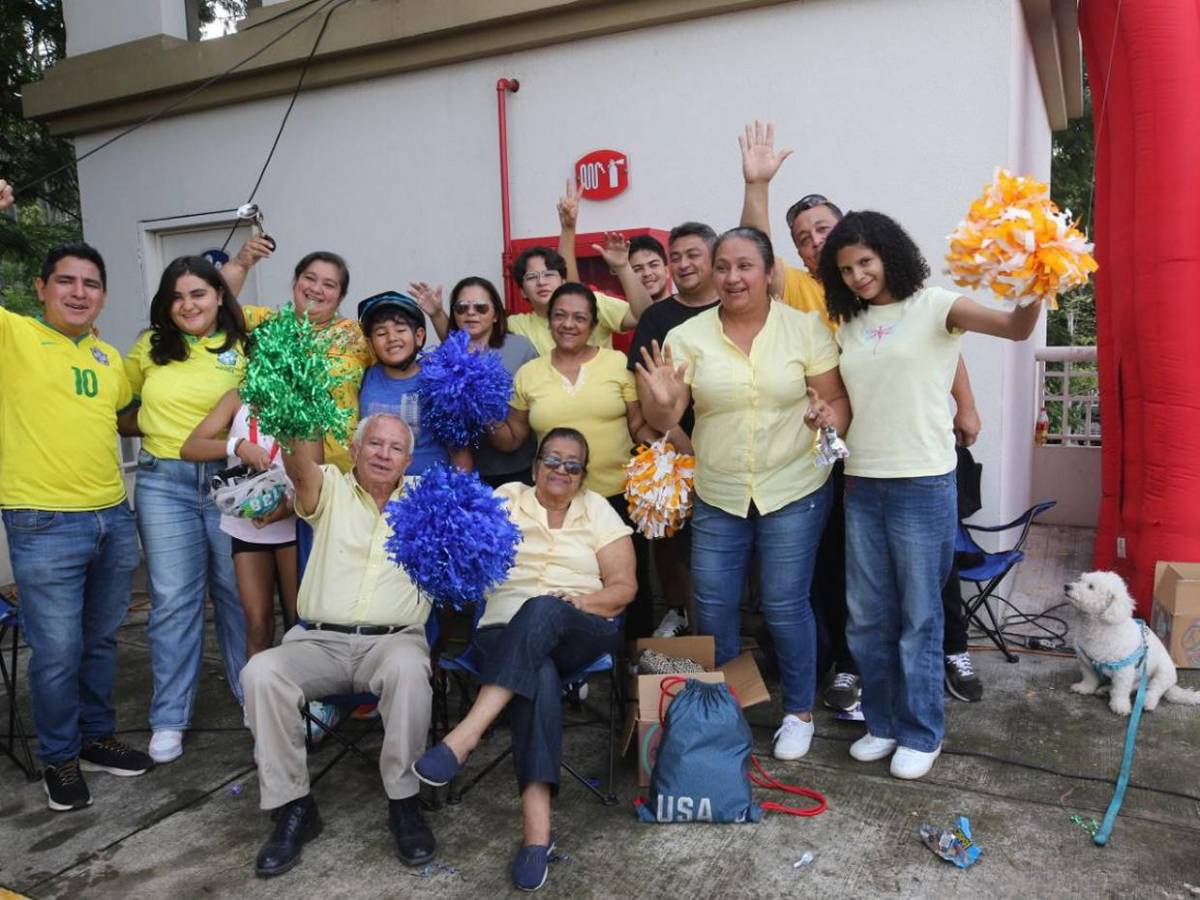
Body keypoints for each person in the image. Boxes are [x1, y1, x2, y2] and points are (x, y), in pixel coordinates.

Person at [737, 120, 984, 710]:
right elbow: (753, 247)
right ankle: (851, 666)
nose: (814, 241)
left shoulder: (882, 286)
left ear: (849, 231)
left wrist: (967, 405)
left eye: (823, 228)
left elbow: (939, 338)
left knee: (933, 557)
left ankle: (952, 646)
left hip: (908, 442)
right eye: (803, 237)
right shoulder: (799, 289)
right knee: (846, 566)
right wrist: (758, 185)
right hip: (837, 446)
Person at [819, 210, 1044, 780]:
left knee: (920, 617)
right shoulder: (846, 323)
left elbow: (1014, 330)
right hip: (862, 481)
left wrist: (1037, 283)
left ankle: (922, 732)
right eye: (845, 269)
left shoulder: (937, 305)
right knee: (867, 618)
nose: (857, 276)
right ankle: (885, 723)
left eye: (864, 262)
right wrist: (823, 419)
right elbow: (848, 401)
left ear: (889, 254)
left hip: (922, 482)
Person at [637, 227, 850, 761]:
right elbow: (665, 418)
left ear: (767, 270)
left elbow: (837, 401)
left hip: (795, 486)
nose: (733, 277)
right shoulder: (688, 337)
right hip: (719, 490)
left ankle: (798, 710)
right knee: (711, 608)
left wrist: (829, 417)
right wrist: (662, 403)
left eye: (745, 266)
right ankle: (725, 711)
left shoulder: (804, 329)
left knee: (784, 604)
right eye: (723, 267)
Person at [412, 428, 635, 892]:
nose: (561, 470)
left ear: (584, 476)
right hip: (501, 631)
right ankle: (538, 839)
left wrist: (574, 603)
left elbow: (623, 588)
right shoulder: (507, 498)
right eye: (552, 459)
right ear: (535, 466)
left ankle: (465, 737)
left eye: (573, 464)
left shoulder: (598, 510)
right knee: (541, 672)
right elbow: (465, 547)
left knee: (543, 609)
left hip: (579, 626)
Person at [0, 178, 154, 811]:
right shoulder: (12, 338)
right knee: (56, 650)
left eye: (91, 284)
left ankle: (96, 739)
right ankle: (59, 758)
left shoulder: (107, 356)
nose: (79, 292)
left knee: (99, 640)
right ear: (41, 288)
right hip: (42, 520)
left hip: (112, 518)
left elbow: (130, 417)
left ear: (103, 296)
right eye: (66, 281)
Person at [240, 413, 435, 876]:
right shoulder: (328, 486)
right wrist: (290, 413)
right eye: (374, 444)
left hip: (394, 643)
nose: (383, 454)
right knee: (261, 672)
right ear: (355, 447)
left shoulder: (427, 500)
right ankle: (294, 807)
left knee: (409, 671)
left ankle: (404, 801)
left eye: (395, 448)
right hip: (320, 641)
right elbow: (299, 469)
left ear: (408, 460)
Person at [120, 256, 249, 765]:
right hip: (163, 484)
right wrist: (153, 427)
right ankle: (169, 718)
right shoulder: (148, 349)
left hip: (232, 482)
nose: (188, 304)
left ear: (220, 295)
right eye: (176, 296)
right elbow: (112, 408)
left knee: (238, 595)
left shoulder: (246, 349)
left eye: (198, 293)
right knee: (173, 600)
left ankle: (252, 699)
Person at [490, 283, 653, 635]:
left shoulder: (617, 364)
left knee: (629, 588)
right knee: (560, 578)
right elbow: (513, 438)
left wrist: (668, 451)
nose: (569, 324)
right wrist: (482, 415)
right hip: (555, 502)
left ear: (594, 324)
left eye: (580, 317)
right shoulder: (529, 374)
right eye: (560, 315)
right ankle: (566, 660)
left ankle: (632, 670)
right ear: (548, 321)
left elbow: (638, 423)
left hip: (619, 497)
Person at [626, 222, 721, 638]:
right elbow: (641, 389)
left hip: (732, 451)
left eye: (692, 255)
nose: (683, 264)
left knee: (726, 548)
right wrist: (679, 445)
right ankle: (680, 613)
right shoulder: (657, 317)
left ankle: (730, 625)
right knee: (670, 543)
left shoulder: (734, 307)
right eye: (676, 257)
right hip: (671, 454)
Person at [222, 243, 375, 474]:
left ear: (341, 296)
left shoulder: (358, 335)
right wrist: (241, 263)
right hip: (274, 465)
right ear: (295, 283)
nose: (316, 288)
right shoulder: (267, 323)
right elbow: (217, 303)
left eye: (329, 284)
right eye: (309, 278)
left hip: (339, 470)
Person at [181, 389, 298, 659]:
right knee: (257, 625)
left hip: (293, 523)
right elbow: (189, 447)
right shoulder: (237, 397)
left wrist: (288, 507)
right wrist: (237, 446)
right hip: (248, 527)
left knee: (298, 624)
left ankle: (303, 700)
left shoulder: (300, 394)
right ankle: (255, 699)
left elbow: (317, 466)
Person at [504, 183, 653, 355]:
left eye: (548, 274)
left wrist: (623, 266)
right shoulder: (516, 326)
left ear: (563, 280)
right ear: (522, 291)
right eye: (531, 277)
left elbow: (645, 316)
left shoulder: (594, 303)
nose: (541, 282)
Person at [433, 275, 539, 487]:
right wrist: (436, 313)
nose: (471, 313)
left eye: (481, 307)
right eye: (462, 308)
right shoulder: (445, 354)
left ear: (496, 315)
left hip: (517, 467)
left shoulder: (520, 348)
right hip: (464, 471)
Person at [356, 290, 472, 474]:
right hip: (375, 492)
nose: (392, 338)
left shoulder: (438, 380)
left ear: (418, 336)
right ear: (370, 344)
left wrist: (462, 495)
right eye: (381, 333)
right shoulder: (364, 377)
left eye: (400, 330)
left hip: (429, 493)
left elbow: (459, 449)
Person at [628, 234, 673, 301]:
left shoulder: (688, 309)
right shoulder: (621, 310)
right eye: (637, 269)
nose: (647, 273)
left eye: (653, 265)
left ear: (667, 271)